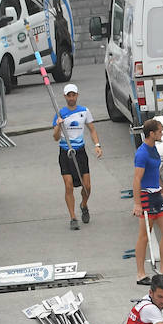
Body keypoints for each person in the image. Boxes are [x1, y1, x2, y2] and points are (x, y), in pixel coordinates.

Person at [52, 84, 102, 230]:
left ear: (77, 95)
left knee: (87, 187)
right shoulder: (60, 113)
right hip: (65, 152)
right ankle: (73, 217)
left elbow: (92, 130)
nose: (71, 98)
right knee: (68, 185)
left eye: (74, 95)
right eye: (69, 95)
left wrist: (97, 145)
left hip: (80, 153)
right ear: (65, 97)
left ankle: (84, 205)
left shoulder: (84, 111)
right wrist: (58, 126)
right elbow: (55, 138)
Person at [131, 119, 163, 283]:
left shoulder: (153, 148)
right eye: (160, 131)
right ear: (152, 133)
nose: (161, 134)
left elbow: (155, 172)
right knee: (144, 235)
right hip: (146, 196)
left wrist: (162, 189)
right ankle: (140, 274)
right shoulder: (142, 153)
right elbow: (136, 179)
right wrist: (137, 204)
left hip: (157, 194)